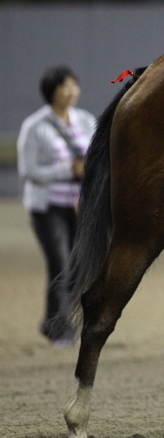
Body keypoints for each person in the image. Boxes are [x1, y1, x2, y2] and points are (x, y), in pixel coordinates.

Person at [17, 66, 96, 344]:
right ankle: (59, 328)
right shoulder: (35, 126)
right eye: (65, 86)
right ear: (51, 92)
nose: (71, 91)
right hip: (48, 209)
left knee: (78, 267)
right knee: (60, 264)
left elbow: (95, 159)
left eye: (74, 85)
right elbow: (28, 171)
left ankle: (62, 320)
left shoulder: (85, 120)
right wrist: (67, 170)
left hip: (79, 208)